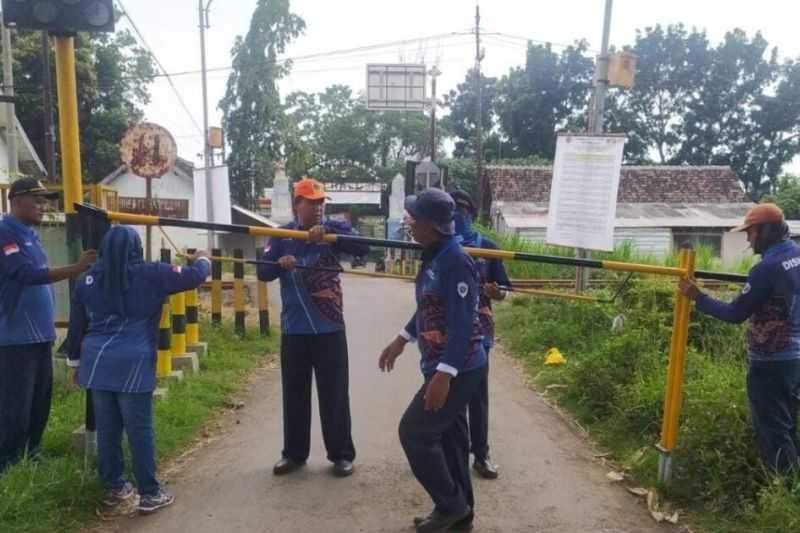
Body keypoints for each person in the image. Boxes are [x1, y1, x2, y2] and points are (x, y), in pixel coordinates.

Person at [64, 226, 210, 515]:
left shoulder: (87, 281)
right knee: (139, 429)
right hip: (134, 362)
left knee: (108, 430)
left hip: (97, 364)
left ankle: (115, 488)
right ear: (136, 248)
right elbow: (195, 276)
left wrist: (74, 364)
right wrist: (203, 258)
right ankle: (150, 493)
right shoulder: (152, 274)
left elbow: (76, 327)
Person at [379, 188, 487, 533]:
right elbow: (428, 307)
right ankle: (461, 516)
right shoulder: (435, 255)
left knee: (415, 433)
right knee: (452, 442)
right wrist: (401, 339)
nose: (409, 223)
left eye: (413, 218)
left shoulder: (455, 261)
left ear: (430, 225)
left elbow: (462, 324)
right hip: (443, 364)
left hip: (461, 367)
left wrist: (444, 376)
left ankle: (450, 505)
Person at [258, 177, 368, 478]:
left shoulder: (334, 231)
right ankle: (293, 454)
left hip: (330, 330)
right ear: (297, 205)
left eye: (321, 202)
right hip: (294, 331)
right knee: (295, 394)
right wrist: (281, 263)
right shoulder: (280, 235)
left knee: (334, 395)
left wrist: (330, 233)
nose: (318, 208)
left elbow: (363, 246)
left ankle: (342, 455)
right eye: (312, 202)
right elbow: (262, 271)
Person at [679, 203, 800, 474]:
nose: (747, 238)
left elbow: (735, 313)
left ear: (765, 232)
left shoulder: (766, 269)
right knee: (789, 423)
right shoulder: (796, 255)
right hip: (794, 359)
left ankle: (786, 490)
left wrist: (699, 297)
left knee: (773, 430)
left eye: (751, 232)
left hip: (770, 362)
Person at [0, 178, 97, 472]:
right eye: (37, 200)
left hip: (39, 335)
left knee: (40, 399)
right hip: (14, 337)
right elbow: (25, 274)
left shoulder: (30, 235)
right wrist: (75, 269)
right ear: (16, 201)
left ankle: (32, 450)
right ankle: (9, 461)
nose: (44, 206)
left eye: (45, 201)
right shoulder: (5, 232)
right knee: (16, 403)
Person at [450, 190, 511, 480]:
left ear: (471, 215)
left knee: (476, 395)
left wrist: (495, 291)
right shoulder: (440, 247)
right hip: (445, 332)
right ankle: (453, 452)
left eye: (461, 213)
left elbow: (506, 291)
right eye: (451, 214)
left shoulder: (488, 247)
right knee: (448, 394)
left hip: (479, 332)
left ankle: (481, 453)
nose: (457, 219)